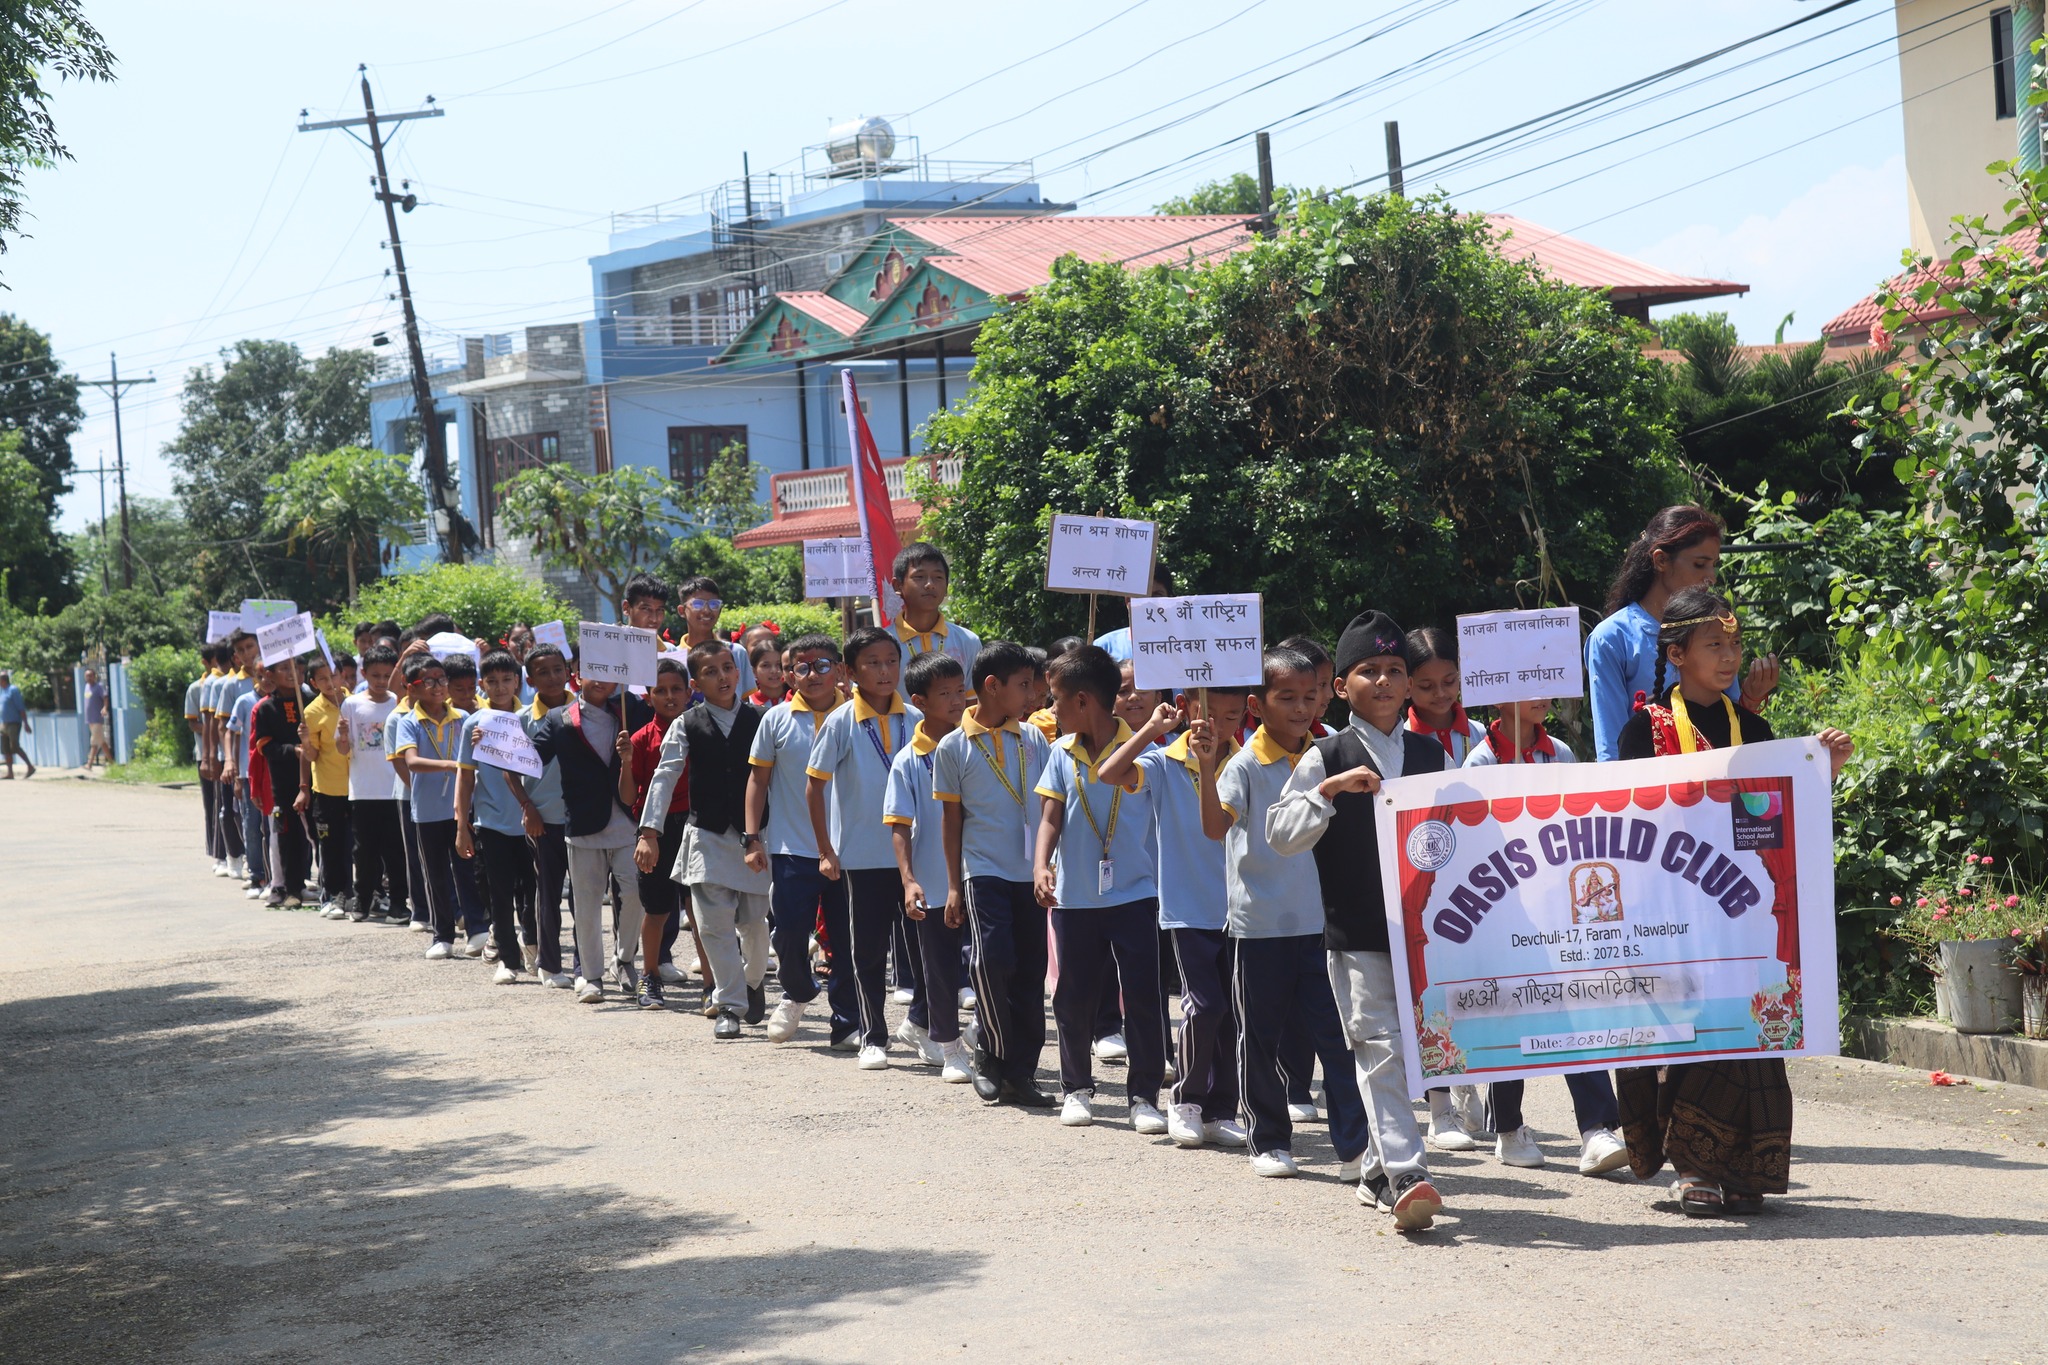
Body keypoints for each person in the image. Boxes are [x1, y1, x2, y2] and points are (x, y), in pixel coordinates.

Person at [1614, 587, 1853, 1216]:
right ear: (1677, 652)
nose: (1729, 657)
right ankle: (1694, 1166)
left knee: (1746, 1028)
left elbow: (1785, 817)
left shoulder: (1758, 730)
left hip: (1742, 910)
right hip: (1670, 911)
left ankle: (1743, 1167)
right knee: (1687, 1034)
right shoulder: (1644, 730)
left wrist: (1822, 770)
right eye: (1714, 645)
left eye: (1735, 644)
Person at [1262, 614, 1446, 1229]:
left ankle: (1373, 1167)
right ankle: (1407, 1170)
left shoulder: (1430, 752)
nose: (1386, 681)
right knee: (1380, 1048)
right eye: (1370, 671)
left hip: (1425, 936)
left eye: (1397, 671)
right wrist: (1330, 791)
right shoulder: (1325, 755)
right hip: (1357, 933)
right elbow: (1280, 835)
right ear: (1342, 687)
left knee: (1417, 1049)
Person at [1195, 645, 1377, 1199]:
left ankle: (1354, 1147)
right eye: (1287, 698)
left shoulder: (1330, 754)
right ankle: (1269, 1139)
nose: (1302, 707)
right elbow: (1212, 827)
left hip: (1325, 925)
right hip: (1261, 927)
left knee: (1338, 1037)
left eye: (1310, 695)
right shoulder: (1245, 762)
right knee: (1261, 1036)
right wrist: (1206, 765)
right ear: (1258, 703)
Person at [1462, 695, 1630, 1175]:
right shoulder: (1482, 759)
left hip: (1560, 908)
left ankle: (1596, 1129)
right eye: (1531, 687)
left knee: (1577, 1007)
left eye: (1548, 685)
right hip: (1504, 908)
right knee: (1511, 1011)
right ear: (1501, 696)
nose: (1545, 697)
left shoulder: (1560, 752)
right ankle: (1509, 1128)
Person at [1099, 685, 1252, 1150]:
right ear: (1186, 711)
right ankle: (1184, 1099)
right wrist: (1151, 728)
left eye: (1230, 717)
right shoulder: (1165, 761)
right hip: (1188, 909)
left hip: (1244, 908)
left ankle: (1222, 1108)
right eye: (1210, 715)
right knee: (1202, 1008)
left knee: (1233, 1014)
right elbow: (1109, 773)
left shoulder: (1247, 762)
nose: (1219, 727)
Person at [1031, 645, 1169, 1135]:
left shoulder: (1147, 753)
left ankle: (1144, 1097)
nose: (1052, 711)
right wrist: (1041, 864)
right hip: (1074, 898)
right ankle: (1077, 1089)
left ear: (1084, 700)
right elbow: (1050, 816)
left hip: (1135, 893)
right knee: (1073, 995)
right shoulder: (1059, 751)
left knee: (1143, 995)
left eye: (1057, 700)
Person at [933, 639, 1053, 1106]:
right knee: (991, 962)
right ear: (990, 686)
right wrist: (952, 885)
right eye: (1023, 686)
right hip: (982, 872)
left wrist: (1048, 863)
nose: (1032, 695)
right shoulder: (953, 746)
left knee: (1030, 971)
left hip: (1032, 873)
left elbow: (1048, 804)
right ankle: (989, 1052)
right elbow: (951, 820)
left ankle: (1021, 1070)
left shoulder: (1034, 737)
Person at [638, 641, 772, 1038]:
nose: (723, 676)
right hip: (707, 837)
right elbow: (664, 777)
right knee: (712, 925)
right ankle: (728, 1003)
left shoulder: (762, 718)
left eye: (728, 667)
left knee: (754, 923)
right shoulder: (687, 723)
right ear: (697, 683)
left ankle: (751, 981)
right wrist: (649, 831)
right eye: (711, 672)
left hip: (754, 838)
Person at [806, 625, 923, 1070]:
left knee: (922, 950)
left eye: (891, 661)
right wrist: (825, 849)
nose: (884, 670)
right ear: (849, 672)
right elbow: (814, 788)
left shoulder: (914, 718)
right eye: (872, 663)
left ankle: (924, 1025)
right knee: (868, 950)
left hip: (914, 855)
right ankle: (873, 1035)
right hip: (862, 855)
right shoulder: (840, 721)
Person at [1588, 504, 1780, 762]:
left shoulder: (1715, 626)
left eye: (1713, 565)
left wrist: (1751, 697)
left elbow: (1732, 723)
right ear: (1661, 560)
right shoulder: (1612, 638)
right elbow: (1611, 751)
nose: (1710, 577)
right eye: (1700, 564)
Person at [1400, 623, 1490, 1147]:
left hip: (1478, 878)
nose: (1440, 694)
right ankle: (1439, 1108)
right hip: (1420, 878)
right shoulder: (1395, 735)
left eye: (1450, 682)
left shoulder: (1478, 736)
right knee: (1428, 985)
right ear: (1407, 685)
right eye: (1427, 685)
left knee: (1472, 982)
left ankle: (1470, 1084)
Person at [749, 634, 857, 1048]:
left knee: (845, 939)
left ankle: (847, 1020)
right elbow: (757, 781)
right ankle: (797, 990)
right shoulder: (775, 720)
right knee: (789, 932)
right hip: (792, 848)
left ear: (841, 670)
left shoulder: (854, 718)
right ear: (789, 675)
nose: (813, 675)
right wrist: (751, 837)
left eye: (824, 665)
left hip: (848, 849)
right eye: (803, 667)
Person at [529, 674, 646, 1004]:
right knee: (586, 904)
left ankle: (623, 959)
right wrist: (496, 744)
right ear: (578, 676)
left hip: (627, 819)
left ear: (618, 681)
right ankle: (591, 975)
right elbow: (531, 756)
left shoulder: (632, 709)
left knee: (635, 894)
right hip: (582, 824)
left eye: (609, 675)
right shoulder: (558, 718)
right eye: (593, 672)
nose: (601, 681)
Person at [885, 650, 973, 1078]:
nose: (957, 700)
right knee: (939, 969)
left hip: (984, 874)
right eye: (945, 693)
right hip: (936, 880)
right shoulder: (908, 760)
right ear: (919, 700)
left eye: (960, 690)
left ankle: (967, 1032)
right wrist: (909, 880)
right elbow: (899, 825)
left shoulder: (977, 746)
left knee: (988, 963)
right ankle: (949, 1047)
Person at [454, 651, 542, 987]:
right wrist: (462, 825)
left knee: (533, 891)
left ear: (518, 681)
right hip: (491, 822)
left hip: (532, 819)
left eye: (507, 680)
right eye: (492, 681)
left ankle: (534, 946)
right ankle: (507, 958)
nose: (500, 687)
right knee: (499, 893)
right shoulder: (474, 724)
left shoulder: (531, 717)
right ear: (482, 684)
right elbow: (465, 777)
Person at [390, 653, 481, 961]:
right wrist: (451, 764)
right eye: (427, 681)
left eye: (442, 680)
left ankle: (478, 928)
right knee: (436, 874)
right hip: (427, 810)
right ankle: (442, 934)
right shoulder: (408, 722)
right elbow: (411, 762)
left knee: (467, 869)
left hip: (460, 809)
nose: (438, 686)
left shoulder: (464, 719)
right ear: (411, 688)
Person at [622, 656, 693, 1010]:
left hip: (696, 827)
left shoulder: (701, 729)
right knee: (657, 909)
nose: (669, 697)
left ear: (689, 691)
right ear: (648, 695)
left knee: (700, 909)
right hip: (655, 830)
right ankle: (649, 976)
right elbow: (626, 795)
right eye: (660, 691)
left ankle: (713, 982)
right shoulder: (639, 738)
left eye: (676, 689)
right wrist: (624, 761)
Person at [517, 642, 576, 984]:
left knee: (584, 898)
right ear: (530, 678)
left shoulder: (586, 711)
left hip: (584, 818)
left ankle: (589, 965)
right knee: (548, 892)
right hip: (544, 819)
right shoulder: (523, 721)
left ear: (568, 671)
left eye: (558, 670)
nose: (553, 678)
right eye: (543, 672)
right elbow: (510, 772)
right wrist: (528, 808)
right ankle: (550, 964)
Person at [337, 644, 406, 925]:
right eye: (375, 675)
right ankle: (362, 901)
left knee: (395, 851)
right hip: (363, 791)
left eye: (386, 676)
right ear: (364, 673)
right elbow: (344, 750)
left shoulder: (398, 703)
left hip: (395, 790)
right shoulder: (352, 704)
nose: (380, 681)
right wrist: (341, 736)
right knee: (364, 852)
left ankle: (399, 904)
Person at [251, 658, 311, 909]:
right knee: (287, 834)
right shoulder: (266, 708)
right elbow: (265, 747)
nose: (292, 673)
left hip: (314, 777)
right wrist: (292, 750)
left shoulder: (310, 702)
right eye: (284, 668)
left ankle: (329, 886)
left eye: (295, 667)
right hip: (283, 781)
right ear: (271, 675)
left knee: (320, 833)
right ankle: (290, 887)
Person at [299, 657, 355, 919]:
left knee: (360, 844)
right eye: (322, 679)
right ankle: (333, 895)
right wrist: (305, 742)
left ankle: (363, 893)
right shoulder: (311, 712)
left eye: (333, 675)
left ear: (342, 676)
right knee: (331, 846)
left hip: (359, 786)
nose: (330, 682)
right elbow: (311, 756)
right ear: (313, 683)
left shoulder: (357, 703)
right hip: (328, 787)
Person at [890, 541, 984, 694]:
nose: (929, 584)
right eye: (919, 577)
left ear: (946, 586)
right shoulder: (884, 643)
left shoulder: (967, 641)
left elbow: (971, 703)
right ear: (897, 585)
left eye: (938, 577)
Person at [677, 576, 754, 694]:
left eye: (714, 604)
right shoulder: (672, 656)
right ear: (682, 611)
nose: (707, 610)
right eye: (698, 604)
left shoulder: (736, 652)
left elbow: (745, 701)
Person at [1092, 569, 1172, 662]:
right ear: (1128, 601)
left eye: (1157, 595)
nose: (1149, 602)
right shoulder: (1104, 647)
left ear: (1170, 600)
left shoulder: (1185, 646)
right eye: (1142, 596)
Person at [187, 646, 219, 862]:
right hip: (205, 753)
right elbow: (193, 723)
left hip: (225, 754)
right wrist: (214, 728)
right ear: (205, 663)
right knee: (212, 803)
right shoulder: (195, 689)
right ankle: (215, 850)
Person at [1, 669, 34, 779]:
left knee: (14, 746)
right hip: (4, 723)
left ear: (3, 680)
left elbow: (21, 708)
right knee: (5, 748)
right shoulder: (2, 691)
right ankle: (10, 773)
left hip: (13, 723)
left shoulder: (13, 690)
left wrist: (26, 723)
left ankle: (30, 766)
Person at [82, 667, 112, 768]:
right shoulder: (86, 686)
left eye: (90, 676)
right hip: (89, 719)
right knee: (101, 741)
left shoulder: (98, 687)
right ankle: (112, 762)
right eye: (87, 676)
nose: (88, 678)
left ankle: (89, 764)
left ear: (94, 676)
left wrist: (105, 708)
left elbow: (105, 697)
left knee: (94, 741)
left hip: (97, 718)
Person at [747, 640, 788, 707]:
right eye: (765, 665)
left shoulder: (796, 699)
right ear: (754, 671)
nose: (774, 671)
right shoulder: (748, 702)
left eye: (778, 664)